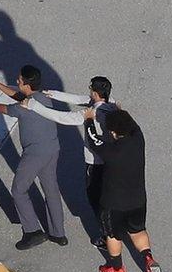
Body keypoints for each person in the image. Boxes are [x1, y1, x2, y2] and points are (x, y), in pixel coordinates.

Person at [0, 67, 67, 250]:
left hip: (34, 154)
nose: (17, 81)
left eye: (20, 81)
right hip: (52, 148)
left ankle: (33, 231)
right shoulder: (43, 98)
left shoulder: (22, 109)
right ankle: (58, 233)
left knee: (19, 190)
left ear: (27, 85)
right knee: (51, 188)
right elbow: (18, 95)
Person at [25, 76, 119, 249]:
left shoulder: (91, 114)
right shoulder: (111, 104)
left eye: (91, 90)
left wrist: (34, 106)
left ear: (95, 93)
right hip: (112, 161)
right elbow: (79, 99)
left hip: (95, 164)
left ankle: (107, 237)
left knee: (96, 201)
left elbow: (62, 117)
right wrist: (54, 94)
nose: (89, 93)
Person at [85, 110, 163, 272]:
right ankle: (148, 258)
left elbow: (93, 141)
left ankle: (117, 269)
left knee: (113, 236)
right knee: (138, 231)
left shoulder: (110, 151)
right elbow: (131, 124)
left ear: (113, 132)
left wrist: (89, 120)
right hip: (138, 201)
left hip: (114, 204)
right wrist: (119, 112)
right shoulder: (138, 139)